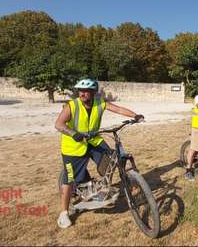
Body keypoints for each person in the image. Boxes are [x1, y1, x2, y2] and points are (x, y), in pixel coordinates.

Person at [54, 78, 144, 229]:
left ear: (93, 92)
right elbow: (59, 124)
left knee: (113, 159)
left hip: (93, 141)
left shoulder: (99, 103)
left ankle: (104, 186)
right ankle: (63, 213)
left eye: (87, 91)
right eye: (80, 91)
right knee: (70, 180)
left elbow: (119, 109)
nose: (83, 94)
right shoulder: (72, 105)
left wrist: (135, 116)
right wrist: (73, 133)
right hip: (73, 146)